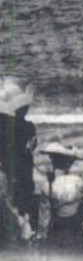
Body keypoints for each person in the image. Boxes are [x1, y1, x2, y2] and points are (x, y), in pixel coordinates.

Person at [35, 143, 83, 252]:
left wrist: (41, 238)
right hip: (75, 229)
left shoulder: (46, 186)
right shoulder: (79, 182)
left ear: (52, 160)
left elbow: (44, 217)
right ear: (69, 163)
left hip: (56, 230)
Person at [0, 103, 38, 247]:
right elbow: (33, 145)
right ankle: (25, 226)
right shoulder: (29, 126)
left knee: (9, 192)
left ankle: (12, 224)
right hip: (24, 160)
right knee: (26, 190)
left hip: (8, 159)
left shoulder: (4, 123)